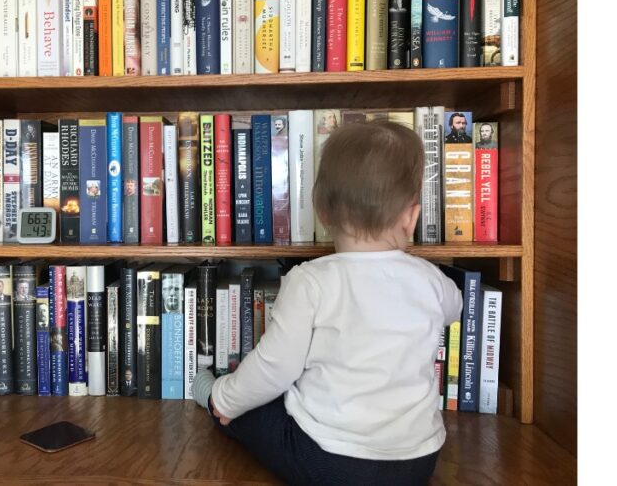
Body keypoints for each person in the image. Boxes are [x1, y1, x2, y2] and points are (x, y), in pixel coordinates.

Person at [191, 121, 463, 485]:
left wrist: (226, 398)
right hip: (417, 463)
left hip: (330, 462)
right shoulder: (429, 279)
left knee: (249, 407)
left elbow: (275, 369)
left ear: (322, 211)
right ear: (411, 217)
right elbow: (455, 308)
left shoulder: (311, 280)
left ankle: (210, 392)